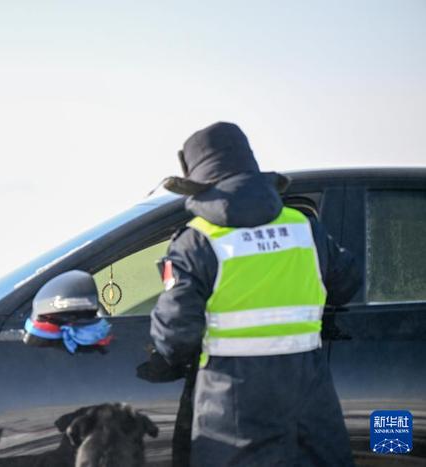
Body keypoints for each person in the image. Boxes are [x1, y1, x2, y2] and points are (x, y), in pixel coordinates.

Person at [147, 122, 362, 466]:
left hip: (232, 418)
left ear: (201, 185)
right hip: (310, 412)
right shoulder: (303, 228)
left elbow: (175, 337)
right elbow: (348, 283)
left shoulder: (197, 241)